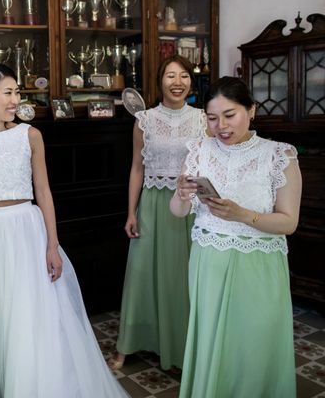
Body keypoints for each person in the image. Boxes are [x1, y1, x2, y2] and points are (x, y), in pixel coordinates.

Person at [0, 60, 128, 398]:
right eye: (7, 93)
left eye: (17, 92)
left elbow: (43, 192)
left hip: (26, 230)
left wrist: (52, 245)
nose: (15, 100)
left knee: (30, 315)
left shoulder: (30, 134)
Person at [171, 77, 301, 398]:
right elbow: (177, 211)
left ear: (251, 110)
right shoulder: (199, 149)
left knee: (253, 345)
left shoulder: (279, 155)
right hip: (208, 261)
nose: (221, 126)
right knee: (213, 342)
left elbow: (289, 222)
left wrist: (242, 214)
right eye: (212, 118)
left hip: (258, 265)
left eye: (230, 115)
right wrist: (181, 193)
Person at [109, 55, 207, 371]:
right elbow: (137, 168)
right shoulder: (145, 120)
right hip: (151, 205)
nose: (177, 82)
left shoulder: (205, 119)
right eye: (170, 76)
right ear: (159, 81)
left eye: (183, 76)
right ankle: (131, 343)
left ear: (191, 81)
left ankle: (184, 347)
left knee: (184, 277)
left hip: (190, 207)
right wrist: (131, 212)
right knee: (142, 274)